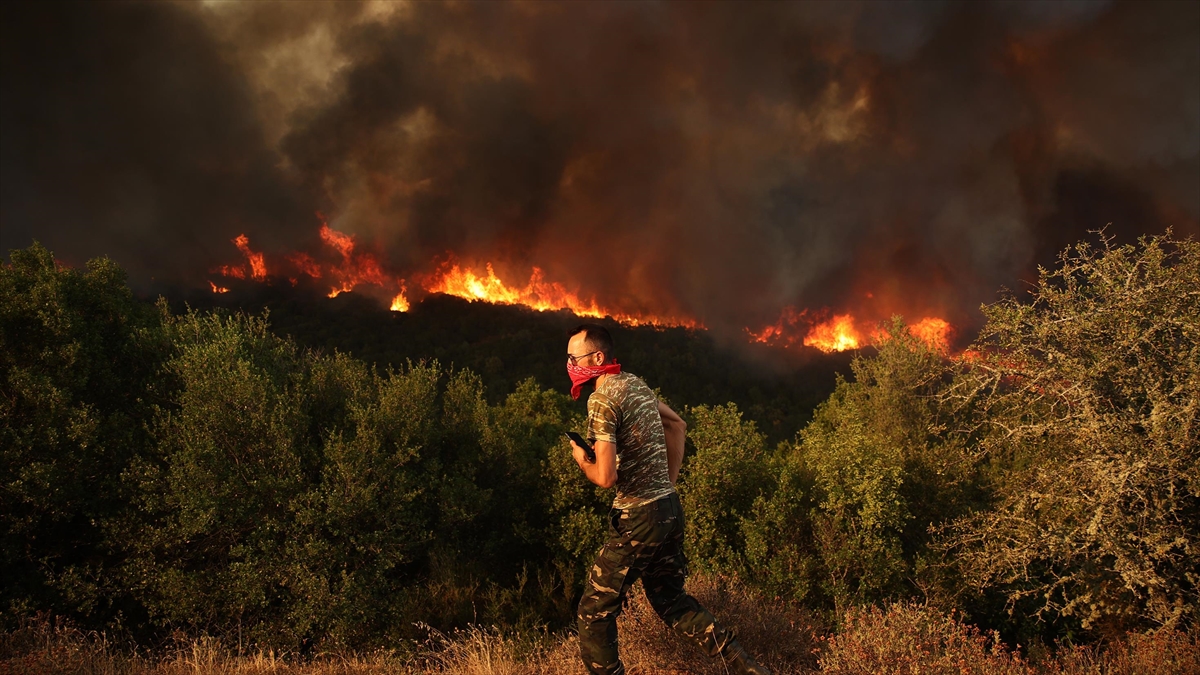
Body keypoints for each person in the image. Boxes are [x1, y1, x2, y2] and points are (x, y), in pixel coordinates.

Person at [565, 324, 770, 675]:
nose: (569, 364)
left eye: (573, 357)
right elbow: (677, 425)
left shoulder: (601, 398)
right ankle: (750, 670)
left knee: (593, 611)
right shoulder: (635, 385)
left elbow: (605, 477)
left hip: (640, 517)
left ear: (597, 357)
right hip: (668, 510)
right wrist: (666, 485)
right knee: (672, 601)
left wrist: (581, 458)